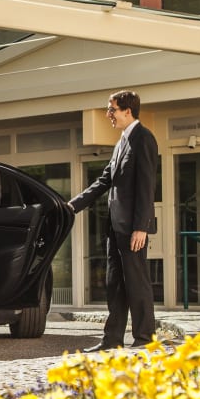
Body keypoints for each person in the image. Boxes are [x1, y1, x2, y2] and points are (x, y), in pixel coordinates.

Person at [69, 90, 158, 352]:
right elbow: (105, 180)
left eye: (112, 110)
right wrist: (72, 206)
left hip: (133, 228)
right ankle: (112, 339)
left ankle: (144, 339)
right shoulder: (121, 142)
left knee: (137, 284)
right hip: (115, 227)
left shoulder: (144, 139)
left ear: (127, 111)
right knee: (114, 285)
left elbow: (146, 186)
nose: (108, 114)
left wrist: (141, 227)